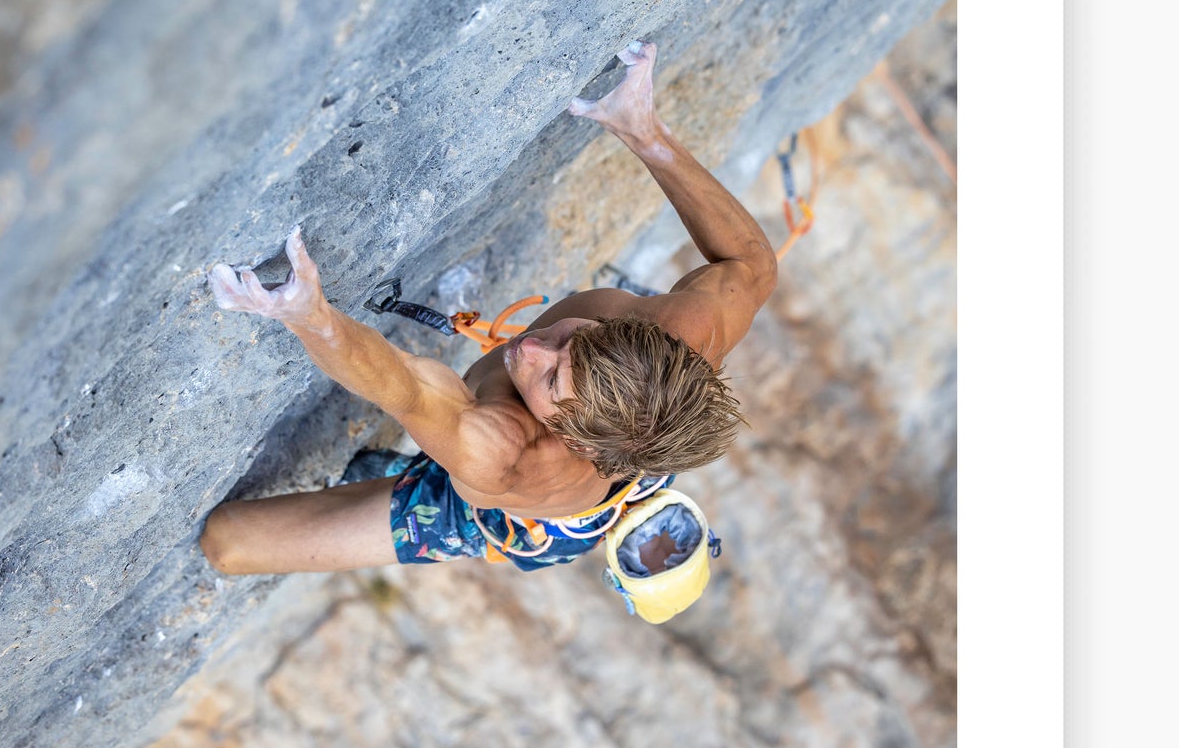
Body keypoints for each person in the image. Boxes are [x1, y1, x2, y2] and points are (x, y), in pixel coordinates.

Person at [199, 41, 778, 578]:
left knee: (228, 545)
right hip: (635, 432)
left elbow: (404, 387)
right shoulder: (678, 335)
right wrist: (644, 129)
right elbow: (753, 265)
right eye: (572, 337)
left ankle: (395, 475)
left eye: (550, 378)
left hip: (516, 515)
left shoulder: (505, 451)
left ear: (569, 435)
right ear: (630, 327)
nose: (531, 347)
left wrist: (307, 314)